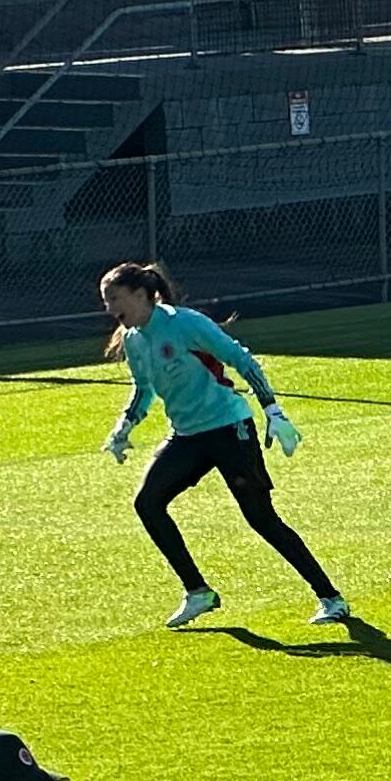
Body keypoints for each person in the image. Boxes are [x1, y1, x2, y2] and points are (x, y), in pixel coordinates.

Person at [97, 263, 351, 630]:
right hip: (187, 436)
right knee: (148, 503)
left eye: (114, 299)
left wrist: (273, 411)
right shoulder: (134, 339)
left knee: (261, 518)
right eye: (105, 301)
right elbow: (144, 387)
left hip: (228, 428)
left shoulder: (185, 323)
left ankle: (331, 598)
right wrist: (124, 426)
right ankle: (197, 591)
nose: (109, 309)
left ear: (140, 294)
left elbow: (241, 359)